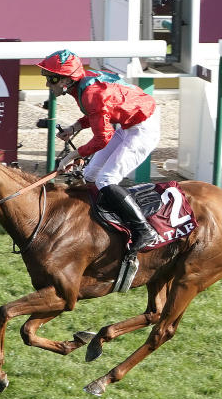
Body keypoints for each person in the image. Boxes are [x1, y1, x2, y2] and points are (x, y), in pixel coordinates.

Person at [38, 49, 161, 292]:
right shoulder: (82, 84)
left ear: (66, 79)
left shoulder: (90, 92)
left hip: (142, 128)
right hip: (126, 125)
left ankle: (144, 231)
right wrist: (75, 127)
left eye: (52, 78)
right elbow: (99, 114)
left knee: (106, 179)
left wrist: (74, 154)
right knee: (90, 176)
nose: (47, 82)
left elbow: (102, 137)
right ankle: (97, 225)